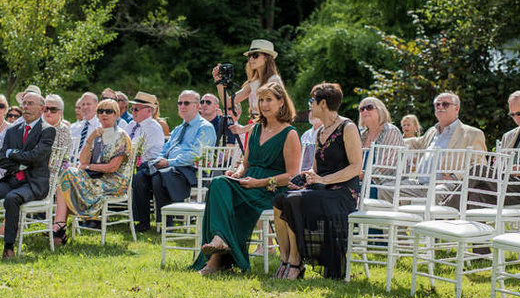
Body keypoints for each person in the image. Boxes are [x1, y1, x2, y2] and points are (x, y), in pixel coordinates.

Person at [191, 81, 300, 276]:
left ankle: (216, 260)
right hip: (249, 182)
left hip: (271, 189)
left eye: (269, 100)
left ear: (281, 102)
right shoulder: (256, 128)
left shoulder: (289, 133)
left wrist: (259, 183)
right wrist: (238, 172)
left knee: (230, 199)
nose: (264, 105)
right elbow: (246, 162)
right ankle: (219, 241)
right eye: (261, 100)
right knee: (219, 183)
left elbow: (291, 175)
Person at [273, 83, 361, 280]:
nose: (309, 105)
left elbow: (356, 167)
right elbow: (316, 168)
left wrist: (324, 179)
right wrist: (306, 178)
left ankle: (296, 262)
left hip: (343, 193)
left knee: (294, 201)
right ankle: (285, 258)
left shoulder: (348, 127)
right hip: (322, 189)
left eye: (312, 101)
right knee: (280, 199)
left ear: (323, 103)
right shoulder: (320, 131)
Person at [0, 90, 55, 259]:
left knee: (12, 198)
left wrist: (12, 153)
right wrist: (21, 161)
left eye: (30, 104)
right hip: (12, 179)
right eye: (24, 103)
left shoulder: (47, 130)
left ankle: (8, 247)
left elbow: (37, 157)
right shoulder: (13, 130)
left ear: (42, 108)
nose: (26, 107)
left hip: (34, 183)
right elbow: (0, 160)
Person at [131, 90, 217, 232]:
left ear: (197, 106)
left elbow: (196, 154)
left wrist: (169, 162)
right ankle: (143, 222)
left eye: (186, 103)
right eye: (180, 103)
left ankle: (166, 223)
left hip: (192, 171)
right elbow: (165, 149)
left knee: (160, 177)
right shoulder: (179, 128)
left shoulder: (205, 127)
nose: (182, 106)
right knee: (140, 176)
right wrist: (158, 159)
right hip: (171, 167)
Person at [53, 99, 133, 244]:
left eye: (109, 111)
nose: (104, 114)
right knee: (65, 176)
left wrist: (88, 167)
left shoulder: (121, 136)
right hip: (96, 178)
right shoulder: (97, 135)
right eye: (100, 111)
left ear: (116, 115)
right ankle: (60, 227)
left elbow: (112, 168)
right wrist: (90, 138)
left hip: (113, 182)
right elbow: (83, 161)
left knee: (68, 176)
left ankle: (58, 227)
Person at [212, 39, 283, 133]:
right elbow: (228, 103)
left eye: (255, 56)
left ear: (266, 58)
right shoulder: (253, 83)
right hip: (254, 127)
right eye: (249, 56)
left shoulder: (273, 80)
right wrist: (219, 82)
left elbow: (273, 115)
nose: (251, 59)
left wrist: (244, 129)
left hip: (268, 129)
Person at [407, 92, 487, 152]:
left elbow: (478, 165)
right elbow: (415, 143)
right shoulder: (432, 131)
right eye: (437, 104)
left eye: (445, 104)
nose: (440, 107)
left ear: (457, 109)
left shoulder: (473, 134)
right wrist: (395, 135)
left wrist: (454, 175)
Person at [125, 92, 165, 168]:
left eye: (136, 109)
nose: (133, 112)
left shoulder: (154, 128)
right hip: (128, 163)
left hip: (145, 168)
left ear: (149, 111)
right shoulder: (132, 124)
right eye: (132, 109)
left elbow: (137, 152)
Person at [70, 92, 100, 159]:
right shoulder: (74, 128)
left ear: (96, 106)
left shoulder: (101, 127)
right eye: (83, 104)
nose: (85, 107)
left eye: (88, 104)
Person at [298, 108, 322, 172]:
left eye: (314, 110)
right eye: (310, 111)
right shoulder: (306, 134)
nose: (311, 114)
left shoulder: (326, 133)